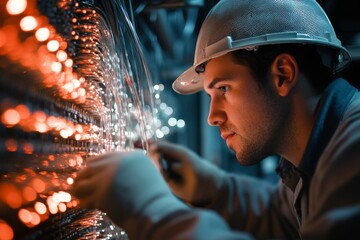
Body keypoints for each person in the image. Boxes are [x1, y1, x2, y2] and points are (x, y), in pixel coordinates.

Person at [72, 0, 360, 239]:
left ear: (282, 75)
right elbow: (283, 220)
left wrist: (150, 207)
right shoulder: (319, 158)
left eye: (223, 89)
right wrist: (216, 189)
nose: (212, 117)